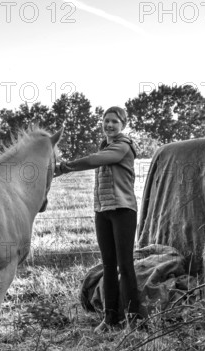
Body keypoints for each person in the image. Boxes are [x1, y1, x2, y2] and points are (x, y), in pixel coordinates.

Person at [55, 106, 142, 333]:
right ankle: (110, 318)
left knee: (125, 266)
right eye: (106, 121)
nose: (110, 125)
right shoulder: (106, 145)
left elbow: (96, 160)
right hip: (102, 211)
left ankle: (134, 321)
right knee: (108, 266)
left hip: (123, 210)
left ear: (123, 125)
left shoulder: (123, 146)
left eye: (115, 121)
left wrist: (65, 167)